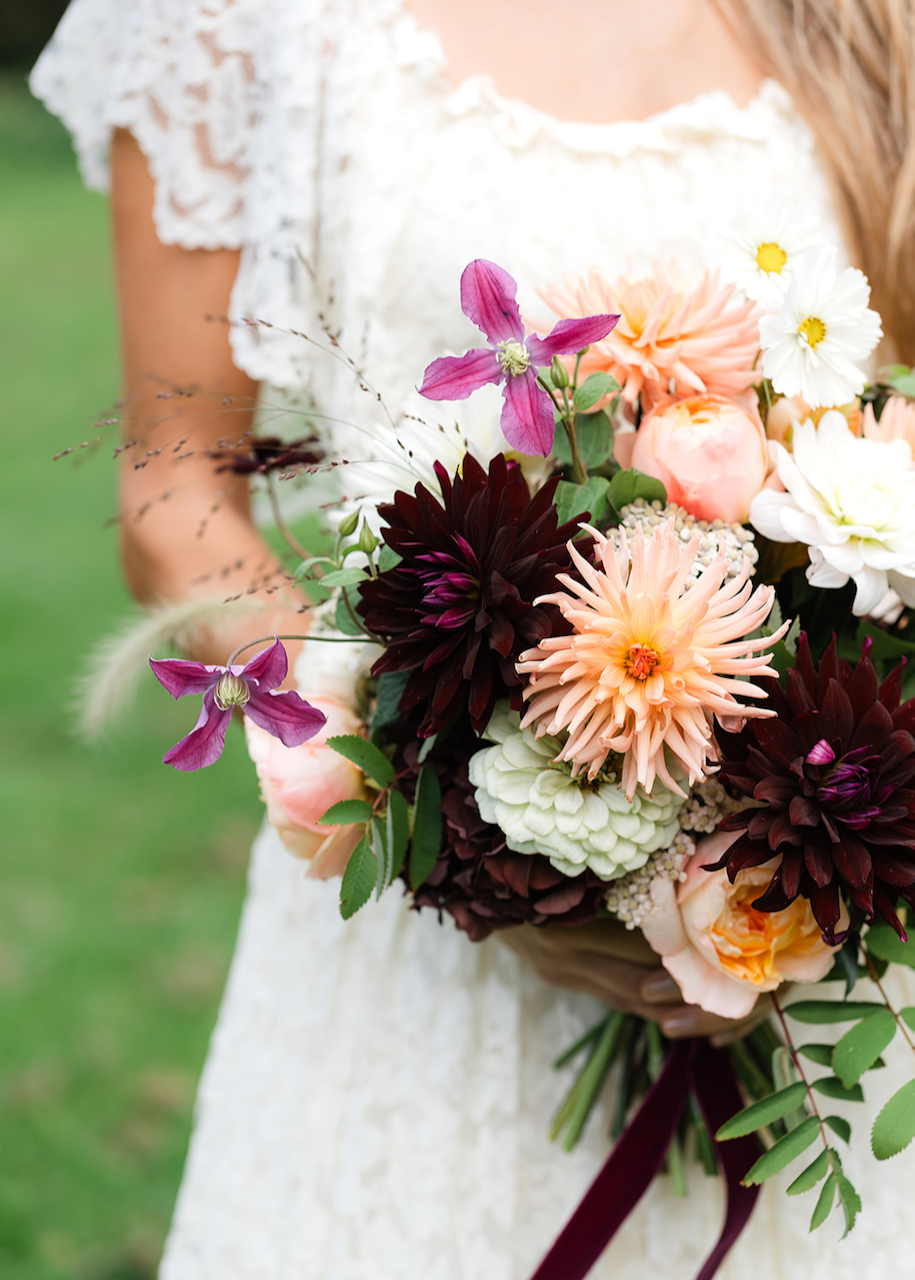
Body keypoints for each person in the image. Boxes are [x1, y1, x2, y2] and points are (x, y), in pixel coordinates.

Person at [31, 2, 915, 1276]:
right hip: (410, 947)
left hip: (806, 961)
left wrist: (752, 833)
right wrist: (460, 835)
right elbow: (177, 492)